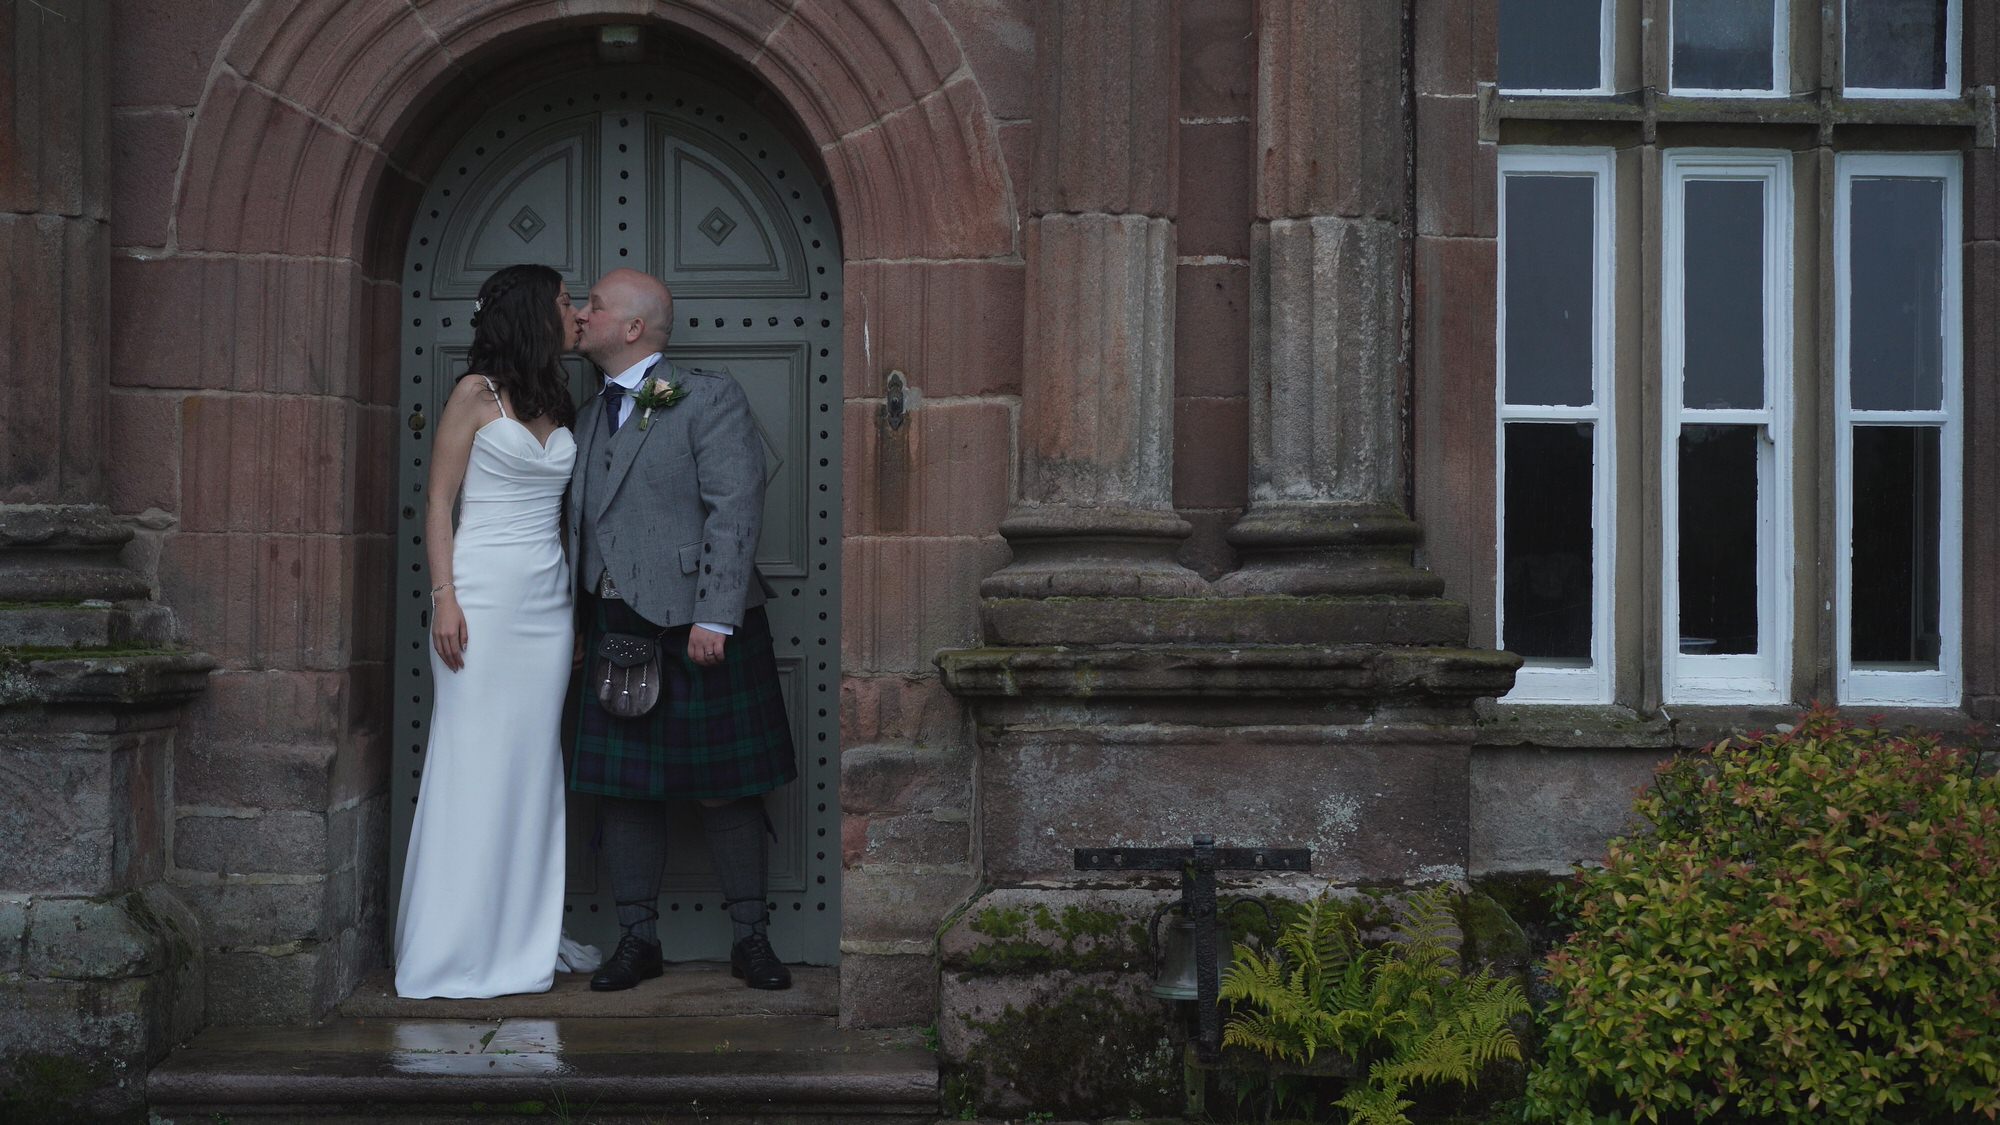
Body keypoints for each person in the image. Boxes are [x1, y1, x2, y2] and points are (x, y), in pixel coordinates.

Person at [567, 268, 798, 992]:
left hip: (700, 625)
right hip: (615, 624)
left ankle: (751, 940)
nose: (579, 313)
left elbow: (735, 505)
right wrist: (578, 619)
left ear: (633, 327)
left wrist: (715, 612)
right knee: (628, 792)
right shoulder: (584, 416)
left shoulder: (706, 395)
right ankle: (639, 940)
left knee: (727, 787)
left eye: (593, 305)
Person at [394, 264, 587, 999]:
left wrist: (571, 616)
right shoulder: (475, 395)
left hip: (545, 606)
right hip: (478, 599)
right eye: (567, 301)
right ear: (537, 311)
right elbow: (438, 504)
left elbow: (566, 523)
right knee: (471, 765)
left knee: (532, 772)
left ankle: (521, 938)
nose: (575, 311)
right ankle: (452, 946)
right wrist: (444, 598)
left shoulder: (558, 397)